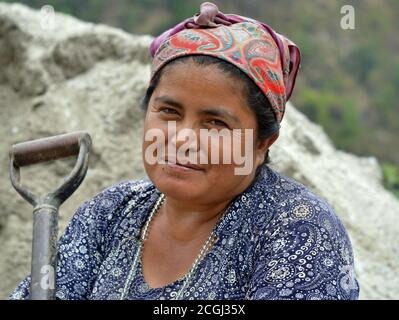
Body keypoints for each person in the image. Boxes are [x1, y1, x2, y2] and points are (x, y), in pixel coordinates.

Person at [10, 2, 359, 300]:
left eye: (215, 124)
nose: (182, 139)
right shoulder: (109, 214)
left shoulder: (298, 230)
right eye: (169, 112)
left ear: (262, 143)